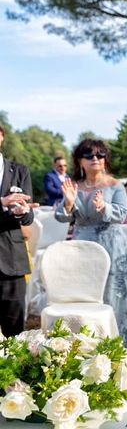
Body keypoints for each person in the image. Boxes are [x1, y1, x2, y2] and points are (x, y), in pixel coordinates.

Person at [55, 139, 127, 353]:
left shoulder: (115, 185)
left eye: (99, 155)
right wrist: (69, 203)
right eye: (89, 156)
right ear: (80, 160)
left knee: (113, 296)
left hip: (112, 246)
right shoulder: (73, 186)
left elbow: (122, 214)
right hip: (82, 248)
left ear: (105, 159)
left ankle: (117, 347)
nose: (95, 159)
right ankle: (84, 346)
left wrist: (104, 207)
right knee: (84, 294)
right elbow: (61, 217)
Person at [0, 124, 37, 336]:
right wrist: (2, 202)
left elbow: (29, 217)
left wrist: (22, 212)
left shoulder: (20, 171)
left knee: (14, 333)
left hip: (11, 262)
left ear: (2, 137)